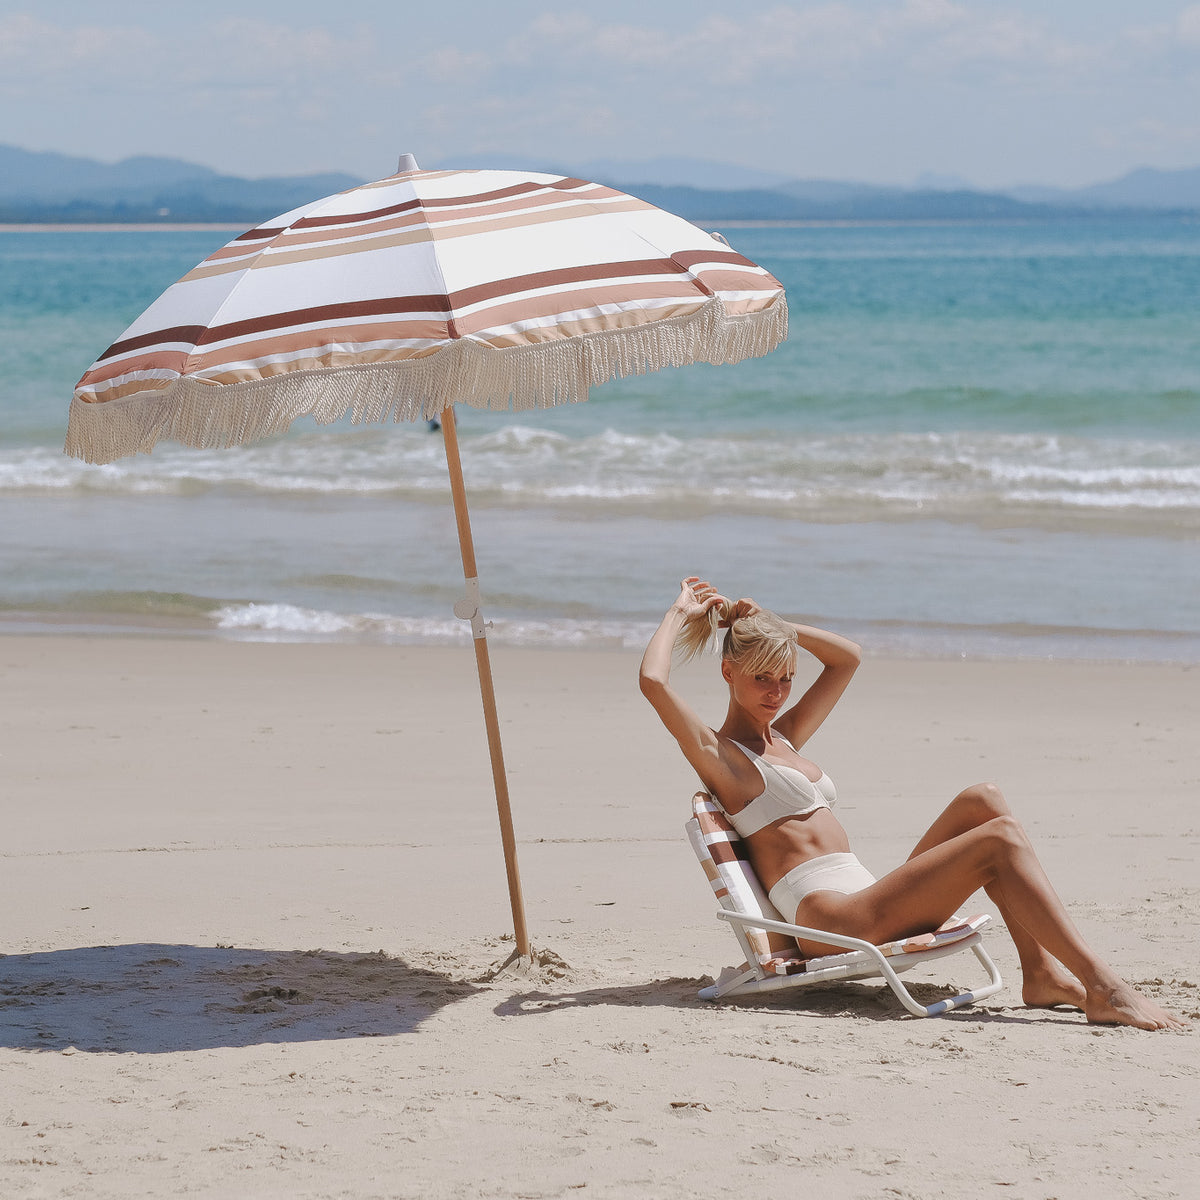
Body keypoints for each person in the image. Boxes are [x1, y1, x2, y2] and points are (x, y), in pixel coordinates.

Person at [639, 577, 1186, 1031]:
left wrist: (779, 628)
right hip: (833, 921)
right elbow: (653, 681)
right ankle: (1102, 986)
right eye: (761, 678)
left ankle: (1039, 973)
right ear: (727, 672)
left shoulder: (782, 739)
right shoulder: (725, 759)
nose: (776, 693)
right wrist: (678, 611)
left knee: (983, 801)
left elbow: (847, 660)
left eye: (785, 679)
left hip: (869, 898)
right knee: (999, 840)